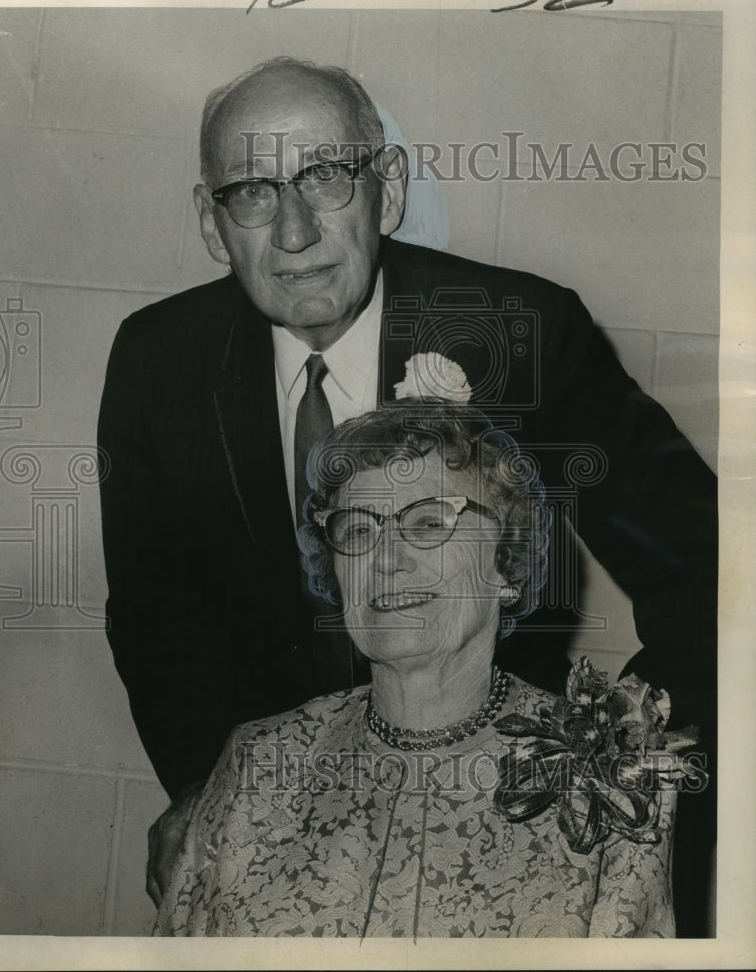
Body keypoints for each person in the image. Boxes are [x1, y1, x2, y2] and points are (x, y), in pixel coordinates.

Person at [97, 57, 716, 928]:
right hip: (289, 832)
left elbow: (713, 574)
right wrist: (211, 790)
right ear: (211, 221)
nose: (296, 231)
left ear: (384, 190)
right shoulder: (155, 360)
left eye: (326, 177)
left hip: (510, 820)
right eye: (252, 191)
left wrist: (616, 753)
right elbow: (153, 617)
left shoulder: (525, 332)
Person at [154, 401, 688, 938]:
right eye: (358, 531)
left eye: (430, 522)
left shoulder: (611, 775)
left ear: (506, 563)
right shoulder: (257, 762)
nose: (386, 559)